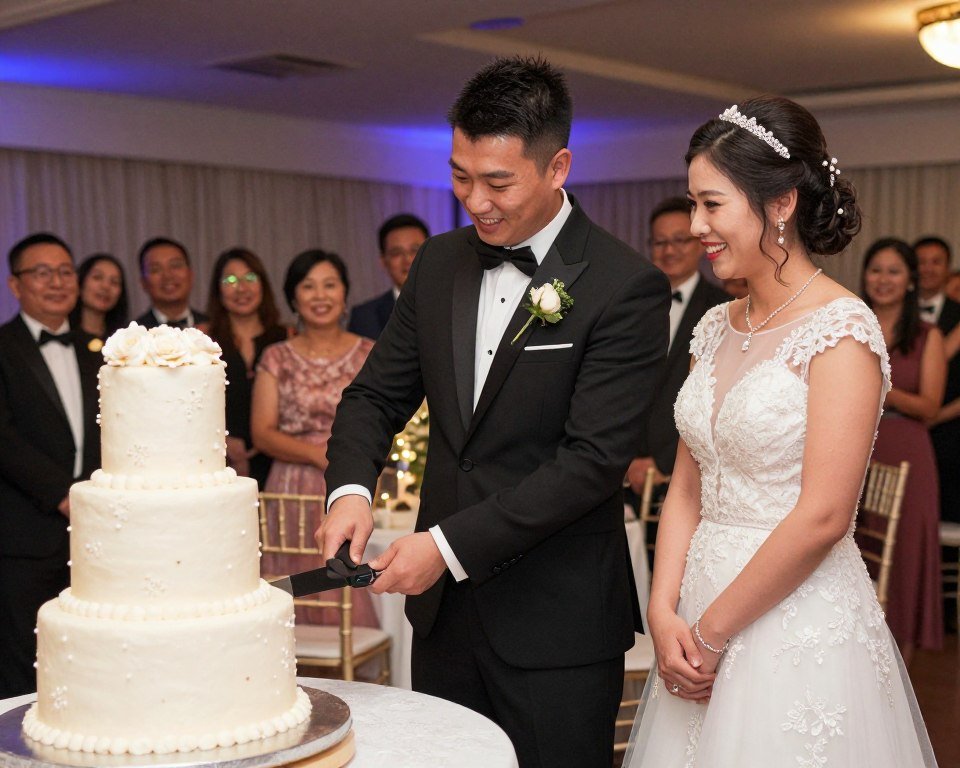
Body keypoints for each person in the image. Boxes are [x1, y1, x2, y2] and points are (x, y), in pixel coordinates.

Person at [319, 56, 670, 768]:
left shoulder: (625, 285)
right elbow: (375, 394)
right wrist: (351, 489)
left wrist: (443, 548)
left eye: (497, 181)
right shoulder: (440, 262)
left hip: (557, 623)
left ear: (557, 166)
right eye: (459, 175)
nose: (474, 200)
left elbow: (592, 463)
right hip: (447, 622)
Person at [626, 98, 937, 767]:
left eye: (712, 204)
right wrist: (662, 610)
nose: (694, 225)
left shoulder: (842, 330)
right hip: (696, 609)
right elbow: (686, 486)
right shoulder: (714, 326)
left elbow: (824, 516)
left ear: (781, 204)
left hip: (795, 620)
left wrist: (711, 633)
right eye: (692, 203)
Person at [251, 249, 377, 627]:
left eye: (329, 285)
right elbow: (262, 431)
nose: (320, 296)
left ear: (344, 294)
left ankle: (351, 681)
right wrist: (318, 455)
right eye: (308, 287)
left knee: (345, 583)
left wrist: (343, 463)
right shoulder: (276, 357)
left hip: (351, 483)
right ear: (293, 298)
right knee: (290, 586)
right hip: (290, 489)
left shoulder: (370, 352)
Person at [0, 233, 101, 698]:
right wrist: (63, 495)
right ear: (16, 285)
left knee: (90, 655)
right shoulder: (3, 347)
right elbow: (5, 439)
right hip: (25, 532)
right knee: (26, 660)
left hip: (95, 536)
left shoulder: (98, 350)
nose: (57, 282)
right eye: (42, 273)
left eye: (65, 271)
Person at [862, 238, 945, 660]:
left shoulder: (927, 336)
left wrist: (881, 389)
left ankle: (900, 670)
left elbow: (930, 405)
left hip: (908, 453)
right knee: (857, 553)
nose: (884, 279)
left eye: (894, 271)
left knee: (905, 557)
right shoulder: (851, 324)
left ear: (910, 280)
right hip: (855, 445)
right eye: (876, 269)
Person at [626, 197, 728, 497]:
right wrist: (628, 456)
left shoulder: (722, 310)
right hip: (622, 466)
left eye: (680, 240)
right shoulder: (631, 304)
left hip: (685, 472)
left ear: (699, 242)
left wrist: (663, 460)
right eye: (660, 242)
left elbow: (714, 400)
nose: (669, 251)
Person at [205, 247, 287, 488]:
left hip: (280, 461)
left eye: (250, 278)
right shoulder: (203, 340)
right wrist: (222, 440)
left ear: (263, 284)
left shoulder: (287, 338)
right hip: (218, 463)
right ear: (218, 291)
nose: (241, 288)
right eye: (230, 280)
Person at [914, 236, 960, 524]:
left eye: (936, 262)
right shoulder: (892, 312)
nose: (928, 269)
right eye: (921, 262)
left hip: (951, 434)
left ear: (948, 268)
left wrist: (937, 416)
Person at [347, 213, 429, 340]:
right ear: (383, 261)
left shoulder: (454, 306)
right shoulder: (364, 317)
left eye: (415, 250)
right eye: (397, 253)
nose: (407, 260)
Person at [135, 237, 208, 329]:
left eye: (175, 266)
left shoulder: (214, 328)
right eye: (155, 269)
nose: (168, 276)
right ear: (143, 282)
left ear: (191, 275)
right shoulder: (132, 335)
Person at [68, 253, 129, 340]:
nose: (106, 286)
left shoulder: (124, 340)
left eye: (114, 282)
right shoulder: (63, 335)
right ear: (80, 283)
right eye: (97, 277)